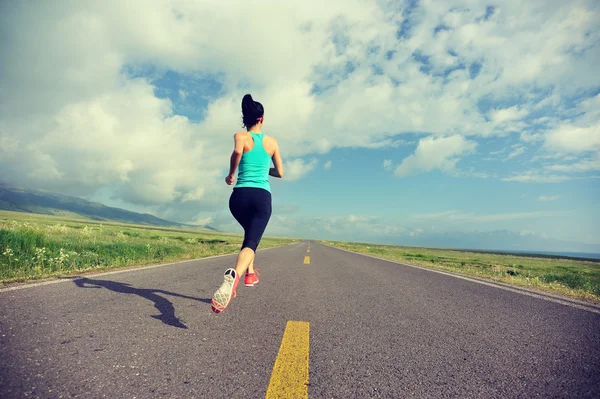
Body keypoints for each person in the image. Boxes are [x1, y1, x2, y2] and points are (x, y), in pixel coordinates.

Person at [211, 94, 284, 313]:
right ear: (262, 118)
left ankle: (250, 274)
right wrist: (264, 170)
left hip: (239, 198)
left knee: (250, 235)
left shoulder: (240, 136)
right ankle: (235, 278)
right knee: (252, 242)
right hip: (261, 198)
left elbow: (236, 153)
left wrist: (231, 174)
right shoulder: (272, 143)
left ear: (247, 118)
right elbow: (280, 172)